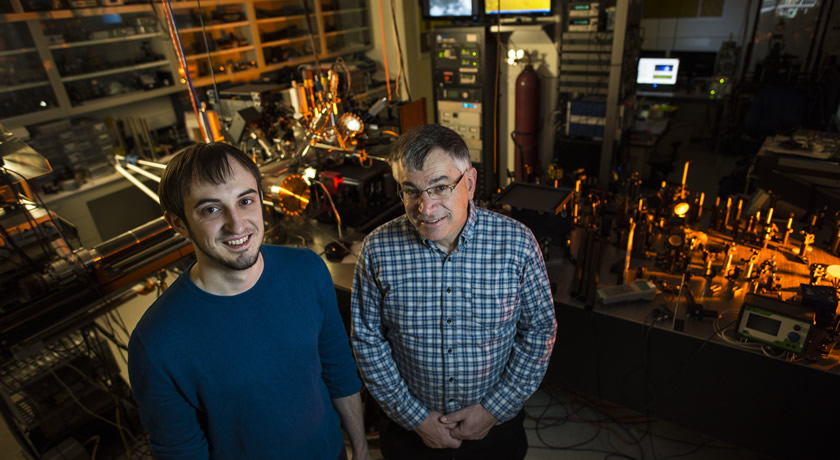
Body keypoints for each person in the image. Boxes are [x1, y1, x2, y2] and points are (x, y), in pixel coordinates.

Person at [128, 142, 370, 460]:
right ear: (178, 223)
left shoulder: (308, 270)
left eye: (245, 200)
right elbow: (181, 452)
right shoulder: (155, 343)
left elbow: (338, 370)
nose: (237, 224)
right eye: (211, 209)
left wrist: (362, 452)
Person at [351, 124, 557, 460]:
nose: (425, 208)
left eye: (440, 187)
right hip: (409, 435)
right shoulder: (377, 249)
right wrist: (414, 418)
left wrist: (492, 410)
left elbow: (540, 332)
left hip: (495, 432)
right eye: (411, 191)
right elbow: (367, 340)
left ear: (470, 183)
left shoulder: (517, 244)